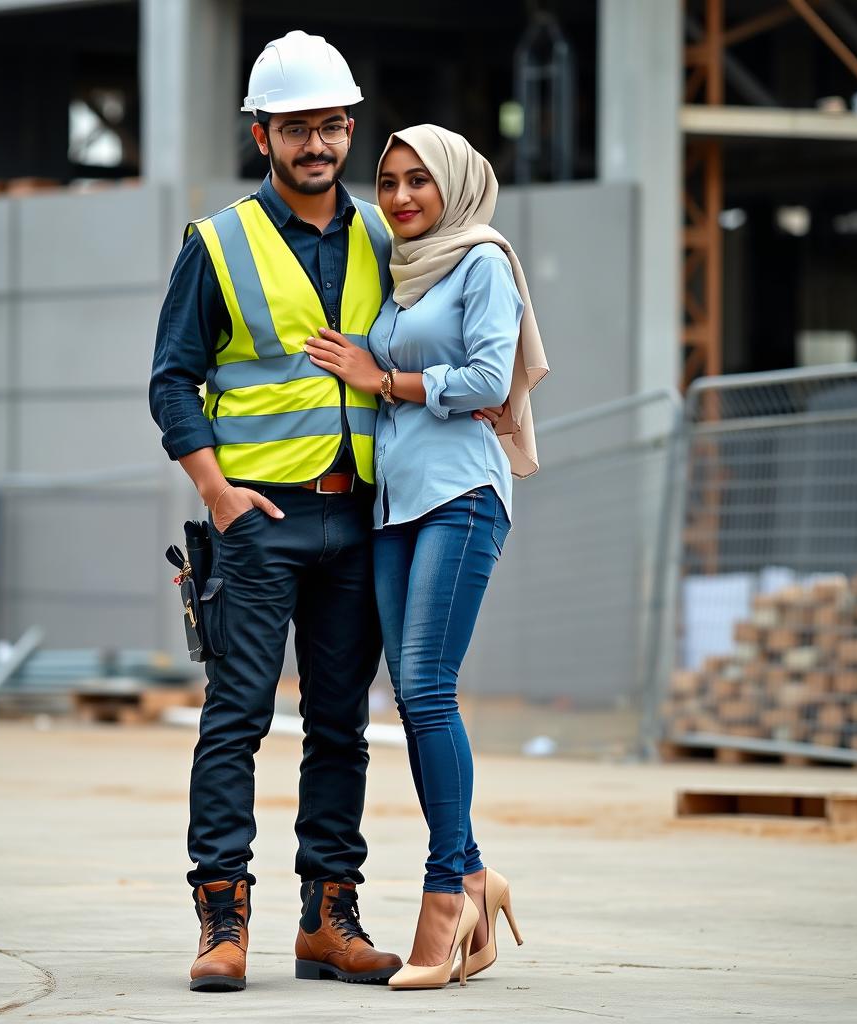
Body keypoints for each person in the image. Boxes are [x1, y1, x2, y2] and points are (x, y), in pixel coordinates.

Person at [148, 30, 402, 992]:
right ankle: (223, 923)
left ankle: (327, 921)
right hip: (257, 524)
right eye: (297, 128)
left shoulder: (387, 234)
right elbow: (173, 381)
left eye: (333, 125)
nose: (318, 144)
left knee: (341, 727)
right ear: (263, 134)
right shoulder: (217, 244)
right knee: (236, 720)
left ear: (349, 129)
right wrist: (217, 495)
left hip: (358, 518)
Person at [303, 124, 549, 990]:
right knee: (409, 696)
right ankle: (477, 875)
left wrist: (390, 380)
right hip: (393, 504)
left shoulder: (482, 261)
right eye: (391, 181)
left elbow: (489, 378)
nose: (402, 198)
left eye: (420, 182)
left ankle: (449, 891)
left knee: (429, 688)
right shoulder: (406, 276)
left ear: (456, 185)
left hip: (461, 497)